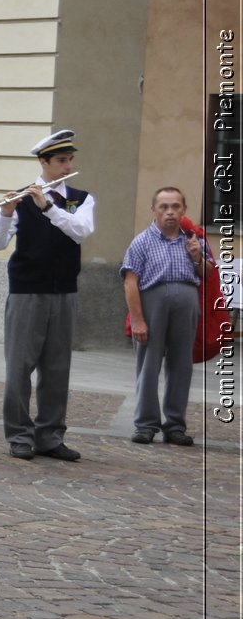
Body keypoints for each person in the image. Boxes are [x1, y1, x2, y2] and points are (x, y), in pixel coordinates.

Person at [0, 129, 95, 461]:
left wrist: (48, 206)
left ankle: (50, 435)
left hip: (63, 291)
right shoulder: (21, 198)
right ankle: (19, 435)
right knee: (19, 367)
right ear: (43, 162)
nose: (67, 166)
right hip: (27, 293)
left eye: (69, 160)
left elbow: (81, 231)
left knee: (57, 368)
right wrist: (7, 215)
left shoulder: (80, 198)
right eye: (61, 160)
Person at [122, 187, 210, 445]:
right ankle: (146, 424)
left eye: (176, 206)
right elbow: (130, 282)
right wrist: (137, 319)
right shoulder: (142, 241)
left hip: (186, 303)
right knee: (149, 364)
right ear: (154, 210)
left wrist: (197, 257)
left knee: (181, 364)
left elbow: (206, 274)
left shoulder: (194, 240)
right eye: (164, 207)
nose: (170, 212)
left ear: (184, 209)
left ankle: (175, 425)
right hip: (153, 302)